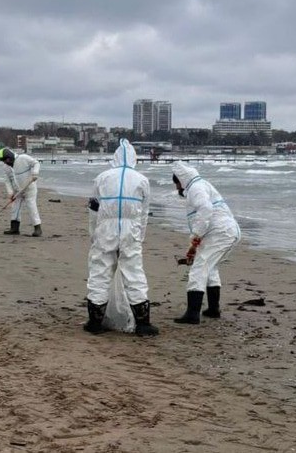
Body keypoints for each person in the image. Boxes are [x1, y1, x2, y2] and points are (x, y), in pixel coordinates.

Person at [84, 139, 157, 336]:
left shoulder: (102, 178)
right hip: (130, 230)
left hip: (105, 228)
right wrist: (140, 236)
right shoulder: (142, 180)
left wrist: (94, 234)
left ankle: (95, 322)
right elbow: (144, 213)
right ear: (134, 158)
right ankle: (143, 323)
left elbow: (93, 208)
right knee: (134, 273)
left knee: (100, 272)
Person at [170, 161, 241, 324]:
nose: (176, 188)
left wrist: (196, 236)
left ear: (181, 180)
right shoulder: (201, 185)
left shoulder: (195, 188)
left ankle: (193, 313)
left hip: (220, 232)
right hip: (225, 231)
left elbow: (206, 210)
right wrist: (195, 244)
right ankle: (213, 309)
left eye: (177, 183)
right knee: (210, 267)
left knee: (199, 267)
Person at [0, 148, 42, 237]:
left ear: (10, 156)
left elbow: (36, 163)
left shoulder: (23, 158)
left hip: (29, 188)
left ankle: (37, 228)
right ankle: (14, 228)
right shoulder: (6, 167)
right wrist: (10, 193)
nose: (5, 162)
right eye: (3, 161)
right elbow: (7, 181)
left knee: (31, 207)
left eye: (6, 160)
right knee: (15, 208)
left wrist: (35, 173)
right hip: (17, 191)